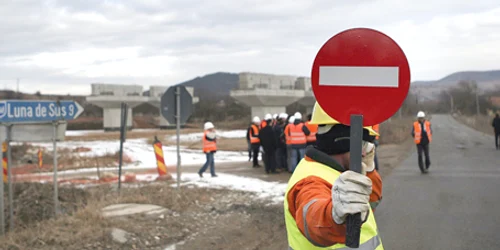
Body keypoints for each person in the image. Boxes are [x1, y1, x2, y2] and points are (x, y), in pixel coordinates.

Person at [284, 102, 383, 249]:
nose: (364, 153)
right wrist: (335, 216)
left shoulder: (340, 171)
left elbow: (371, 202)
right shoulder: (310, 180)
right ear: (343, 141)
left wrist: (368, 171)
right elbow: (313, 218)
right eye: (362, 144)